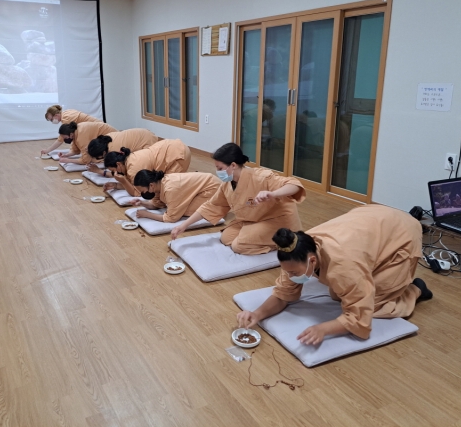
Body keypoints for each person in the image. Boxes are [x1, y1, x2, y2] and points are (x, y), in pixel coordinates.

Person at [236, 204, 432, 344]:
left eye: (293, 272)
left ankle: (415, 290)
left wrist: (323, 328)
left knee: (376, 307)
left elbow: (359, 318)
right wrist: (256, 314)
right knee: (337, 294)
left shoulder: (344, 267)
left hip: (401, 234)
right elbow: (282, 293)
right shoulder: (296, 248)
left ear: (312, 260)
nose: (290, 275)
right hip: (372, 216)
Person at [170, 143, 305, 255]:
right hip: (253, 219)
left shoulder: (260, 177)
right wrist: (183, 226)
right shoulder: (227, 185)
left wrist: (274, 194)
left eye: (220, 168)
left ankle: (284, 241)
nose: (218, 172)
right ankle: (253, 233)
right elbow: (210, 206)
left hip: (277, 221)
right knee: (226, 237)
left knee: (238, 246)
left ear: (233, 165)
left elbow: (294, 185)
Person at [100, 139, 191, 196]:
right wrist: (116, 185)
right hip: (170, 146)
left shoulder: (133, 168)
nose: (114, 173)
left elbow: (137, 192)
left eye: (113, 170)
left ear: (118, 164)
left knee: (170, 186)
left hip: (177, 154)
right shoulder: (129, 160)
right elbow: (132, 185)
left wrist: (122, 181)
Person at [131, 170, 221, 223]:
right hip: (207, 185)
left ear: (151, 185)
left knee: (185, 211)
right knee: (177, 207)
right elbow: (156, 204)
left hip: (212, 189)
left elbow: (171, 218)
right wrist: (142, 203)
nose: (143, 194)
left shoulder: (170, 188)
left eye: (143, 191)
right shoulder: (158, 184)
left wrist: (147, 214)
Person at [81, 129, 159, 166]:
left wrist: (100, 172)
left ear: (104, 153)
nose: (99, 159)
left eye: (99, 157)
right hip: (145, 133)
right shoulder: (106, 138)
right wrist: (86, 150)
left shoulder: (114, 149)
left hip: (147, 141)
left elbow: (120, 168)